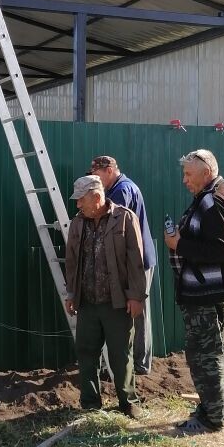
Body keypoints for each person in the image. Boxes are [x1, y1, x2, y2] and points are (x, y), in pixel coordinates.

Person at [164, 149, 224, 435]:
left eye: (189, 174)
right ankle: (223, 407)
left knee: (204, 355)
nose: (185, 180)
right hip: (214, 292)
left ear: (206, 173)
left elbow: (221, 250)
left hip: (206, 294)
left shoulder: (213, 201)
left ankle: (211, 418)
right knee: (218, 351)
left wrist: (179, 245)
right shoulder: (222, 195)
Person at [65, 175, 147, 419]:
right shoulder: (78, 223)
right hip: (88, 302)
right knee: (86, 352)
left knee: (121, 354)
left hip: (118, 303)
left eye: (81, 200)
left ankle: (128, 402)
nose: (78, 205)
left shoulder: (124, 218)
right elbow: (71, 262)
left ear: (97, 197)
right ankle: (90, 403)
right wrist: (71, 293)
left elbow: (136, 261)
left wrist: (136, 296)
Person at [90, 155, 157, 374]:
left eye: (97, 173)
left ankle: (139, 365)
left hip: (138, 262)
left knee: (138, 311)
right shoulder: (116, 189)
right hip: (132, 260)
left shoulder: (122, 191)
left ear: (109, 170)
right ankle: (134, 363)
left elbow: (114, 228)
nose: (95, 178)